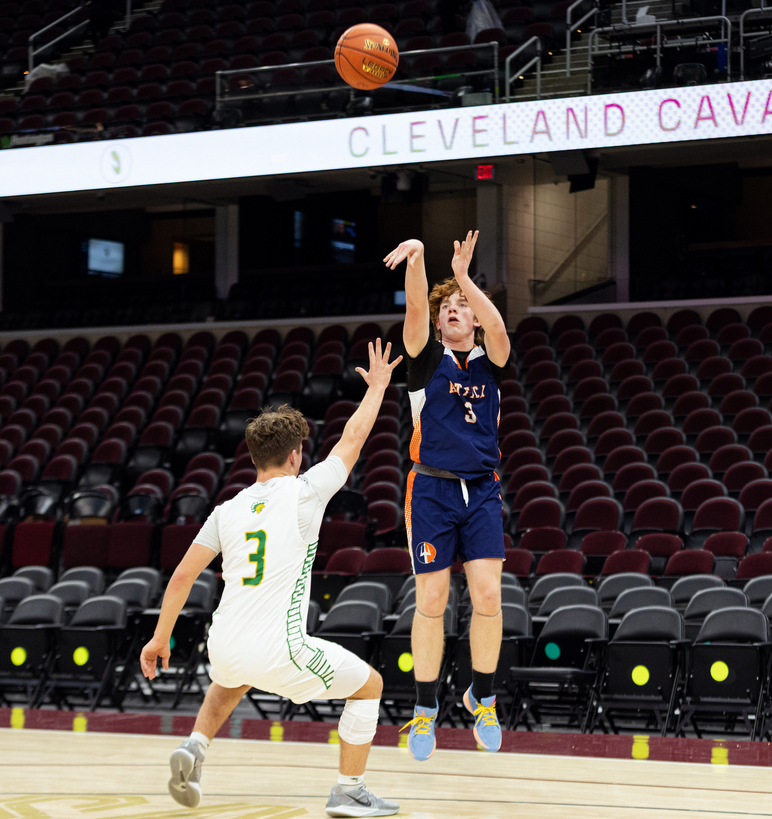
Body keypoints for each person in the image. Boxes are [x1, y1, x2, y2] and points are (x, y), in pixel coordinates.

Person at [139, 339, 402, 818]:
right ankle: (349, 790)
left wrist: (159, 639)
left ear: (254, 458)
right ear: (297, 456)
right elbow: (353, 439)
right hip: (281, 648)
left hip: (225, 645)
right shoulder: (304, 493)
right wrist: (379, 387)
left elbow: (180, 577)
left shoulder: (226, 509)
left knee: (229, 680)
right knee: (371, 686)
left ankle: (195, 748)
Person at [382, 230, 510, 760]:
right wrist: (418, 256)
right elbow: (415, 306)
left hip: (481, 489)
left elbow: (498, 328)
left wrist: (462, 278)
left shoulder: (491, 359)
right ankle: (425, 711)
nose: (455, 310)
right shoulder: (425, 360)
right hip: (431, 487)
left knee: (487, 597)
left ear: (474, 317)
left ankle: (483, 697)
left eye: (464, 306)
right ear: (439, 323)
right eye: (449, 308)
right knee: (432, 600)